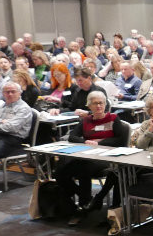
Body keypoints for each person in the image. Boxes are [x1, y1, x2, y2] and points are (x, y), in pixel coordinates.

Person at [56, 91, 130, 223]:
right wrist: (85, 141)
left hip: (106, 158)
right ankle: (88, 199)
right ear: (89, 106)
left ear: (105, 104)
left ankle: (83, 207)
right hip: (86, 156)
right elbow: (72, 137)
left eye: (101, 103)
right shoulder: (86, 120)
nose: (98, 106)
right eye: (95, 103)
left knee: (83, 170)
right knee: (60, 173)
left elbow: (120, 140)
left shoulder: (113, 118)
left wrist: (99, 143)